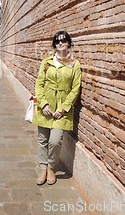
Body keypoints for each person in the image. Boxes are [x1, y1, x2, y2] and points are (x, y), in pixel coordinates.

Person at [33, 30, 81, 185]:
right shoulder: (47, 62)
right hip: (45, 106)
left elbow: (75, 88)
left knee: (55, 140)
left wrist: (64, 108)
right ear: (54, 44)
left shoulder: (75, 64)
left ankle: (51, 167)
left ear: (68, 43)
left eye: (64, 40)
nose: (60, 43)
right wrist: (43, 104)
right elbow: (39, 84)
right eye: (57, 41)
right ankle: (42, 168)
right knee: (42, 139)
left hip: (61, 109)